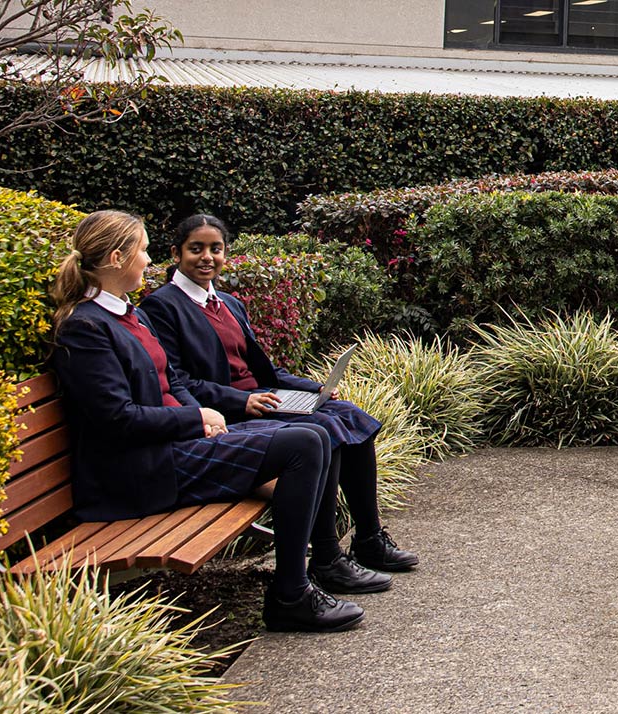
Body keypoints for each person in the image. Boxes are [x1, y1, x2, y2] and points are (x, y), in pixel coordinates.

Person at [49, 210, 369, 632]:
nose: (148, 261)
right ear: (115, 258)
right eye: (142, 252)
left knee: (315, 430)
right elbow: (115, 419)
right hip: (139, 472)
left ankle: (314, 572)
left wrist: (207, 415)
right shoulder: (86, 327)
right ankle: (291, 594)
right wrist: (193, 418)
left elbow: (172, 381)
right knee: (305, 443)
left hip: (171, 450)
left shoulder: (129, 314)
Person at [140, 214, 418, 577]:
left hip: (263, 397)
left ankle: (368, 538)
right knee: (323, 430)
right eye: (196, 249)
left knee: (348, 413)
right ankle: (326, 556)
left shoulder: (227, 303)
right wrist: (241, 402)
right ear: (176, 253)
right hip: (230, 411)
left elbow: (263, 372)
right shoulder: (163, 306)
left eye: (215, 249)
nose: (207, 257)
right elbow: (179, 382)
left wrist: (314, 388)